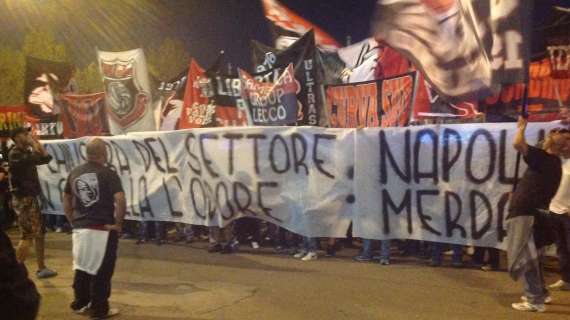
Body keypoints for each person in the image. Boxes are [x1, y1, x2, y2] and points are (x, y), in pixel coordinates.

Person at [507, 119, 570, 312]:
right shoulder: (554, 163)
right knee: (533, 258)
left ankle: (534, 300)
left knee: (526, 258)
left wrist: (521, 128)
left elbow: (518, 143)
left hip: (526, 213)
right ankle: (540, 293)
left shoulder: (542, 158)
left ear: (550, 142)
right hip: (536, 214)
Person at [63, 138, 126, 319]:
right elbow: (120, 199)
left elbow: (66, 198)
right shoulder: (108, 174)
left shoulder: (75, 172)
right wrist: (118, 224)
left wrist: (72, 219)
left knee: (82, 268)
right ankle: (99, 309)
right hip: (102, 229)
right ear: (103, 153)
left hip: (81, 229)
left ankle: (80, 302)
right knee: (102, 271)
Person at [8, 126, 57, 279]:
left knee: (39, 233)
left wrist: (35, 141)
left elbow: (46, 157)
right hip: (24, 199)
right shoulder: (15, 154)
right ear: (16, 137)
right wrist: (34, 143)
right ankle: (14, 272)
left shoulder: (25, 153)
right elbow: (37, 156)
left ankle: (41, 267)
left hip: (31, 198)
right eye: (24, 133)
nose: (27, 135)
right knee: (27, 235)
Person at [548, 155, 570, 291]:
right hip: (555, 210)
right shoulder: (558, 161)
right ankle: (566, 279)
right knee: (562, 249)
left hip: (567, 213)